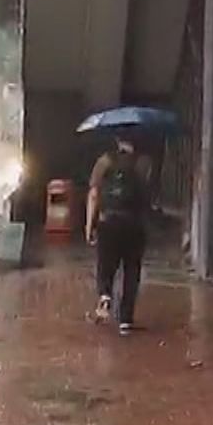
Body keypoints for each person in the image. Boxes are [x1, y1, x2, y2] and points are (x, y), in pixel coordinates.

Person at [85, 134, 153, 335]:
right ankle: (126, 320)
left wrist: (90, 225)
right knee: (131, 270)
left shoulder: (104, 162)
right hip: (134, 224)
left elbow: (94, 194)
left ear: (116, 139)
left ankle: (105, 295)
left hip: (109, 222)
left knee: (106, 265)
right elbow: (148, 194)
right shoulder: (144, 163)